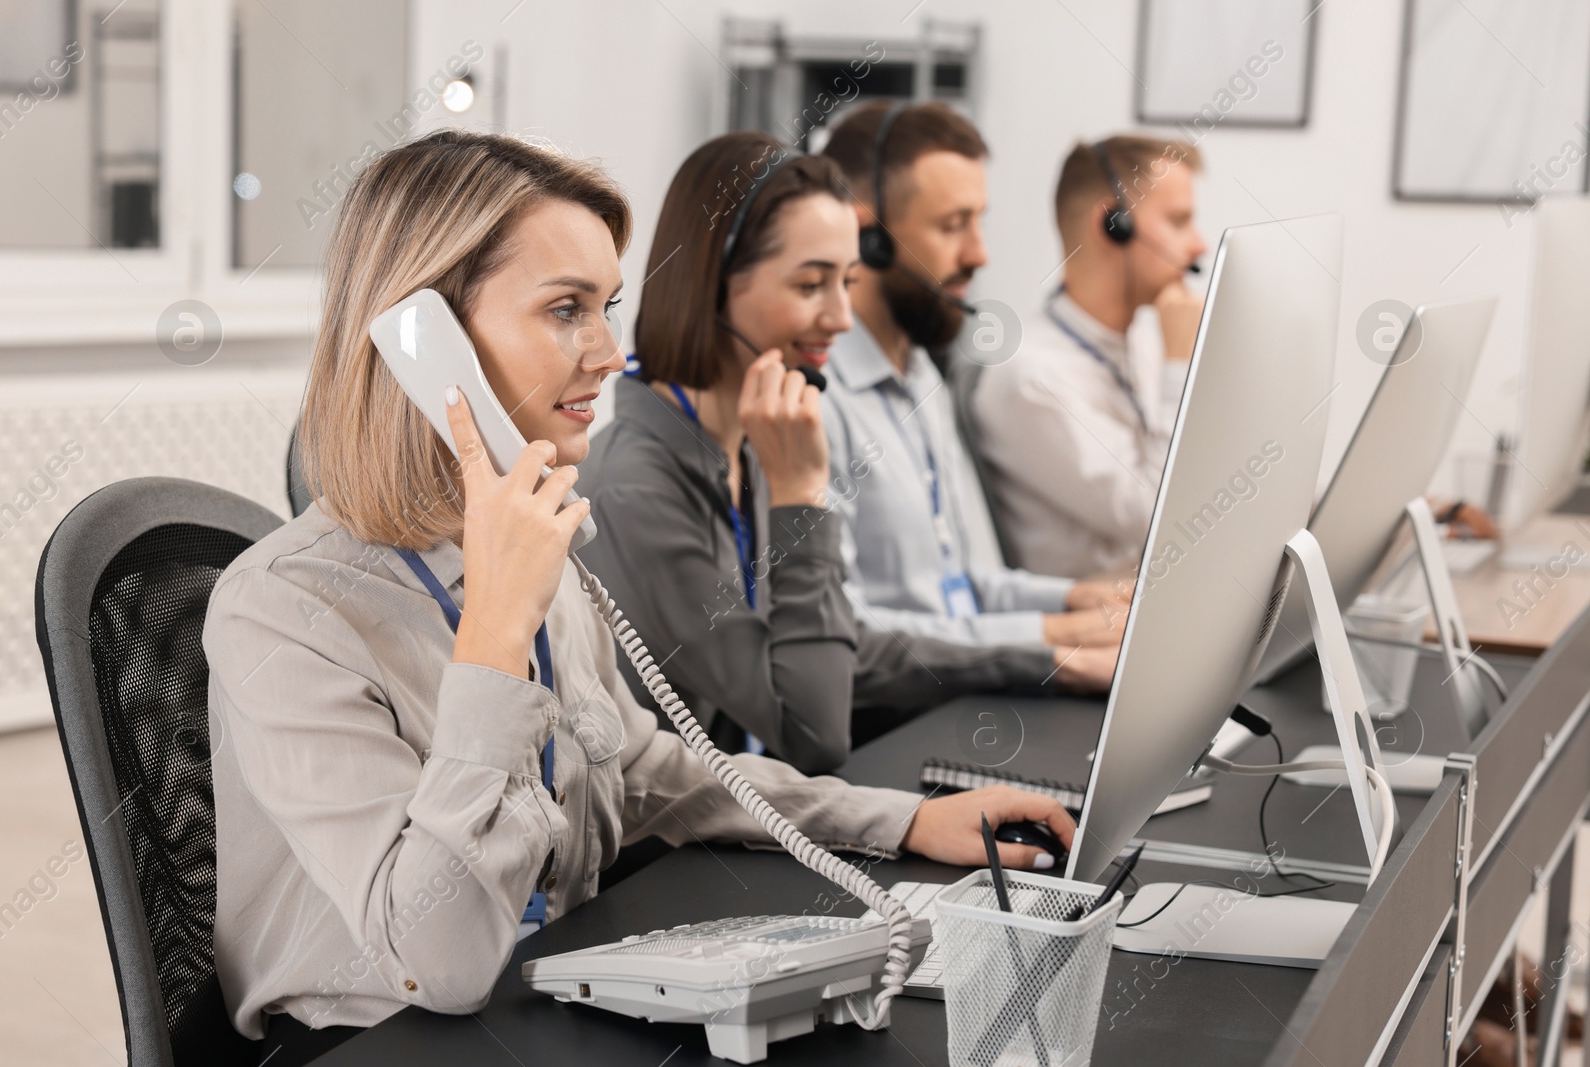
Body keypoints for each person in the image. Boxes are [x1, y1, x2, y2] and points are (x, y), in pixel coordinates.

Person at [203, 130, 1076, 1047]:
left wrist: (901, 820)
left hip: (540, 991)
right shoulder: (282, 609)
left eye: (607, 307)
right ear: (426, 342)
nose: (608, 352)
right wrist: (495, 631)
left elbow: (642, 766)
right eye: (566, 310)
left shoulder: (538, 541)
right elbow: (443, 957)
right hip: (384, 1038)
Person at [578, 133, 1104, 775]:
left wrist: (1047, 661)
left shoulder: (747, 438)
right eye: (810, 284)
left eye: (847, 282)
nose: (841, 316)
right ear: (713, 285)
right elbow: (812, 731)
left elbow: (838, 645)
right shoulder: (637, 489)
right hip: (666, 858)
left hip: (768, 813)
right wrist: (802, 495)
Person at [817, 102, 1127, 666]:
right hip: (891, 725)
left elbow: (962, 587)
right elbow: (844, 630)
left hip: (961, 691)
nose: (979, 253)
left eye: (977, 221)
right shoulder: (817, 398)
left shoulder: (918, 374)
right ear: (868, 238)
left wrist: (1079, 601)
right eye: (952, 225)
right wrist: (1053, 645)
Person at [972, 136, 1207, 579]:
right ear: (1114, 224)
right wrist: (1183, 366)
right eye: (1179, 222)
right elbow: (1161, 519)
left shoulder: (1143, 343)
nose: (1199, 245)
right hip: (1099, 635)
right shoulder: (1032, 378)